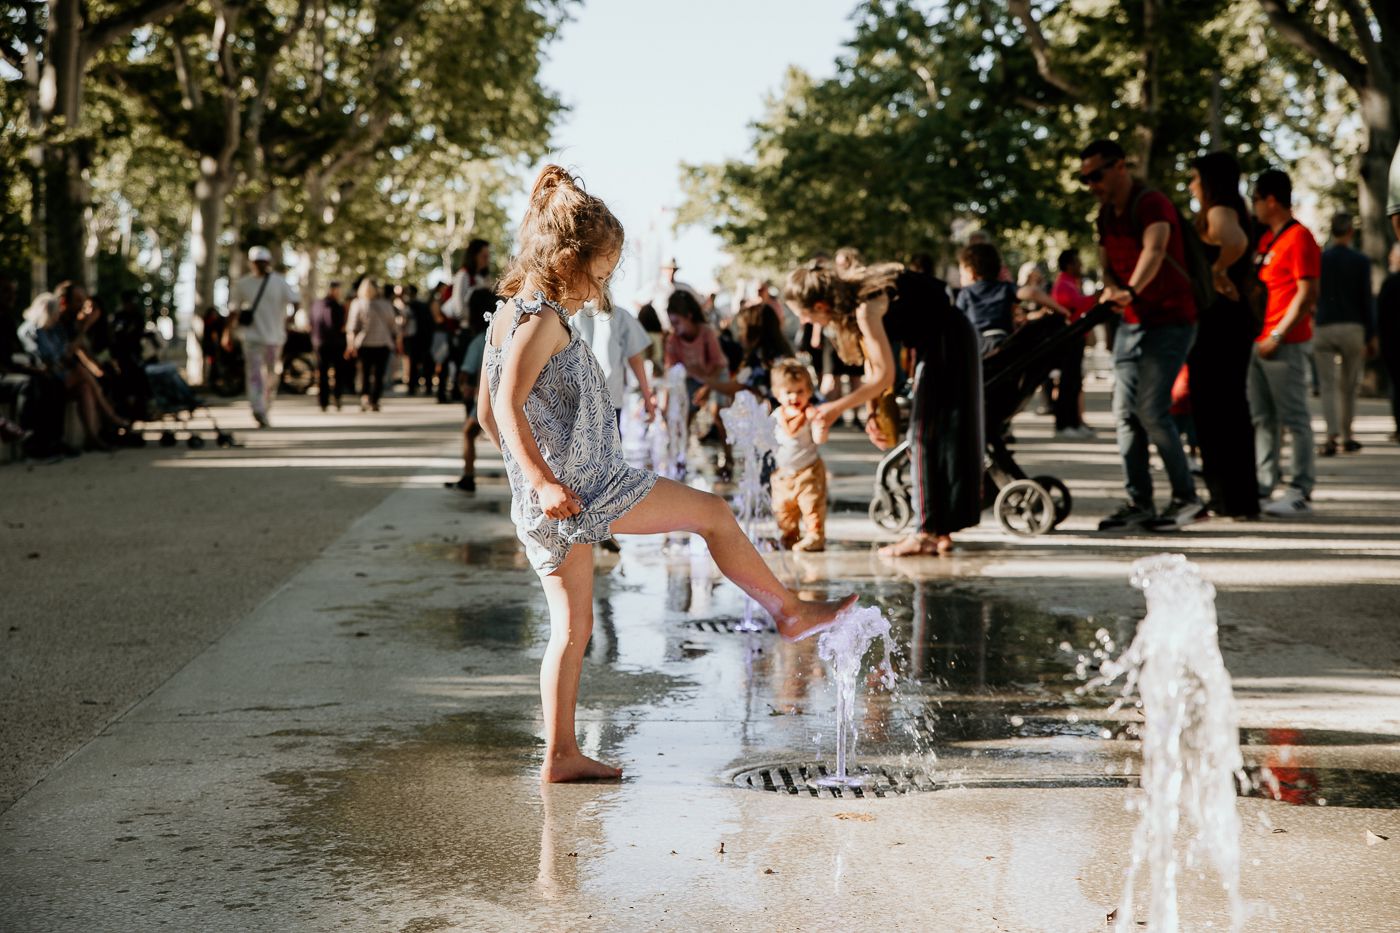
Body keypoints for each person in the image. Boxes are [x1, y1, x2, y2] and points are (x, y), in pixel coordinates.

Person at [476, 165, 856, 782]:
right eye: (600, 272)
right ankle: (787, 611)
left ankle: (562, 755)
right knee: (714, 514)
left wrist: (530, 480)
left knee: (572, 628)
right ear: (569, 260)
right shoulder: (542, 318)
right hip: (587, 487)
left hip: (563, 495)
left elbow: (486, 411)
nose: (601, 287)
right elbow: (503, 405)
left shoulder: (508, 314)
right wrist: (544, 478)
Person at [784, 258, 982, 557]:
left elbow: (885, 375)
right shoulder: (855, 303)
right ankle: (940, 530)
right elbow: (872, 365)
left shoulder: (866, 307)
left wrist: (835, 408)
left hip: (947, 344)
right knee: (935, 436)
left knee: (923, 438)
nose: (807, 323)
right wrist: (873, 411)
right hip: (945, 341)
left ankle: (925, 533)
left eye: (806, 316)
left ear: (822, 306)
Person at [1080, 138, 1203, 531]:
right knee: (1124, 414)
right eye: (1085, 179)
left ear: (1120, 167)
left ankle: (1187, 498)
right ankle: (1140, 501)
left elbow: (1155, 248)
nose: (1092, 184)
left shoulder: (1151, 203)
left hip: (1171, 319)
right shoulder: (1105, 215)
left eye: (1096, 175)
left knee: (1151, 409)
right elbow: (1106, 262)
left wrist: (1131, 290)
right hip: (1132, 323)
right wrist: (1112, 290)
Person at [1182, 152, 1261, 522]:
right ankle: (1236, 496)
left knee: (1217, 408)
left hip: (1219, 320)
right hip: (1230, 319)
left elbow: (1235, 242)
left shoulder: (1219, 210)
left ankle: (1228, 496)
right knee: (1228, 408)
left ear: (1210, 181)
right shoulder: (1233, 206)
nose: (1191, 185)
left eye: (1195, 178)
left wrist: (1215, 272)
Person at [1250, 168, 1321, 516]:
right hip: (1260, 341)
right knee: (1263, 417)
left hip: (1286, 342)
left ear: (1271, 200)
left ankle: (1301, 488)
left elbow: (1307, 292)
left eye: (1256, 200)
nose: (1254, 207)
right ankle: (1266, 483)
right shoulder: (1267, 240)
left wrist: (1278, 334)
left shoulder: (1300, 238)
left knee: (1294, 417)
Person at [33, 282, 131, 449]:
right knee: (82, 373)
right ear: (64, 302)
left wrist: (101, 368)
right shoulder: (51, 325)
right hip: (54, 375)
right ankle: (111, 418)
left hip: (71, 375)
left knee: (88, 385)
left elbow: (87, 356)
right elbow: (65, 354)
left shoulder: (69, 326)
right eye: (78, 300)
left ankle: (93, 437)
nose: (82, 306)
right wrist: (85, 327)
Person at [1313, 213, 1375, 456]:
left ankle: (1331, 434)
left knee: (1327, 385)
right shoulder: (1360, 261)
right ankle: (1348, 435)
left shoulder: (1321, 259)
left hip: (1325, 324)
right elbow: (1366, 299)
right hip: (1352, 325)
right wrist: (1371, 334)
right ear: (1350, 230)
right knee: (1348, 385)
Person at [226, 245, 299, 428]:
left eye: (263, 262)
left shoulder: (279, 282)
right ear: (251, 263)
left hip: (275, 338)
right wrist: (227, 333)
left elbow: (296, 301)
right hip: (252, 338)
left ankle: (265, 407)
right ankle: (257, 408)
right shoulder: (243, 284)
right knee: (255, 375)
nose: (260, 266)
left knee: (272, 375)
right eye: (257, 262)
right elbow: (233, 311)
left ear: (268, 263)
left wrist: (290, 318)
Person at [769, 359, 828, 552]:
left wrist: (820, 428)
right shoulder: (777, 415)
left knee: (812, 506)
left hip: (808, 471)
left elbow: (820, 439)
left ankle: (815, 536)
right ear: (778, 394)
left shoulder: (810, 414)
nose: (794, 396)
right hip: (783, 474)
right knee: (783, 510)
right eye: (788, 392)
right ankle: (789, 536)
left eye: (800, 391)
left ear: (809, 392)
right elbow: (768, 439)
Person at [572, 295, 655, 431]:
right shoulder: (620, 316)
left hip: (581, 396)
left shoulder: (575, 314)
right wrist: (647, 396)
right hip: (609, 396)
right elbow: (635, 358)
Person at [447, 289, 497, 493]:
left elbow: (466, 371)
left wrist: (464, 387)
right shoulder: (503, 330)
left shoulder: (479, 340)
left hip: (486, 398)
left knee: (468, 432)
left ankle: (468, 476)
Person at [1050, 249, 1098, 438]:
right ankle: (1065, 424)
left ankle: (1073, 422)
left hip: (1076, 337)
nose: (1081, 266)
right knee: (1068, 382)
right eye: (1077, 262)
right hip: (1069, 338)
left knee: (1074, 381)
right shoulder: (1064, 284)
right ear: (1069, 265)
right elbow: (1073, 306)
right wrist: (1095, 298)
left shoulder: (1070, 283)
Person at [346, 277, 400, 412]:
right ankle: (375, 400)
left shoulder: (357, 304)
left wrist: (350, 344)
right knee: (379, 373)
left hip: (364, 343)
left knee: (364, 372)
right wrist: (398, 342)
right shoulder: (386, 304)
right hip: (383, 343)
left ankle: (365, 397)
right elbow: (394, 326)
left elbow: (352, 327)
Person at [309, 280, 352, 411]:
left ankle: (324, 402)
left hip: (319, 342)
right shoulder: (334, 306)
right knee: (337, 372)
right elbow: (333, 323)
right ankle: (336, 397)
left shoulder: (316, 304)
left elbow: (310, 323)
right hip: (334, 343)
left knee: (323, 372)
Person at [1378, 242, 1400, 442]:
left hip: (1392, 341)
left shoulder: (1390, 283)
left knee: (1395, 384)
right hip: (1392, 340)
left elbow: (1381, 314)